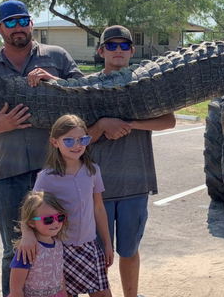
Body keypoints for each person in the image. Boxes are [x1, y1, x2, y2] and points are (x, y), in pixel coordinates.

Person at [0, 0, 83, 296]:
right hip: (9, 173)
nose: (18, 27)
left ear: (31, 23)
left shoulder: (57, 57)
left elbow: (87, 94)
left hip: (54, 173)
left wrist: (56, 81)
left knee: (59, 247)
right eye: (10, 23)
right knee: (15, 251)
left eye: (23, 20)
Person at [89, 25, 176, 297]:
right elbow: (76, 138)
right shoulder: (86, 86)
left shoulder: (145, 83)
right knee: (97, 255)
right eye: (111, 46)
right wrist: (102, 125)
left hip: (135, 184)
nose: (118, 50)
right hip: (95, 190)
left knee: (129, 251)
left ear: (132, 51)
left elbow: (169, 120)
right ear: (101, 50)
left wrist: (131, 123)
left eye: (123, 46)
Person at [31, 114, 114, 297]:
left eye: (82, 139)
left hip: (89, 247)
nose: (77, 146)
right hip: (61, 249)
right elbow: (30, 213)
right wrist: (27, 237)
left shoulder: (93, 171)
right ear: (55, 142)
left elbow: (99, 208)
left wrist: (108, 244)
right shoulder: (46, 177)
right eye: (68, 141)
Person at [9, 191, 69, 297]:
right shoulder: (28, 250)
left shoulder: (58, 244)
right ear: (32, 222)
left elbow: (60, 277)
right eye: (48, 219)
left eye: (60, 217)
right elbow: (16, 290)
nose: (56, 223)